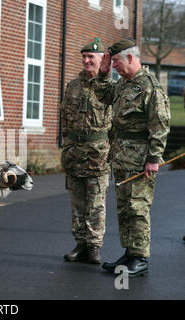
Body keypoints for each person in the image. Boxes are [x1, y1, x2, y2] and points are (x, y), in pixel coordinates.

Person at [93, 39, 170, 277]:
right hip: (122, 157)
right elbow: (103, 96)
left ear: (129, 58)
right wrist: (103, 73)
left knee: (138, 208)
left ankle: (140, 257)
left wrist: (154, 158)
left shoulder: (149, 86)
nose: (113, 65)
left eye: (115, 61)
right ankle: (129, 253)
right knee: (125, 208)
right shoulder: (125, 84)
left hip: (140, 158)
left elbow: (160, 125)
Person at [61, 38, 112, 265]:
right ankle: (80, 244)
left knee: (96, 203)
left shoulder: (109, 88)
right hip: (74, 152)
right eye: (84, 57)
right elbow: (65, 119)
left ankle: (94, 247)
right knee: (78, 203)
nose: (87, 60)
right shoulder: (72, 86)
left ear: (102, 59)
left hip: (98, 154)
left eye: (91, 56)